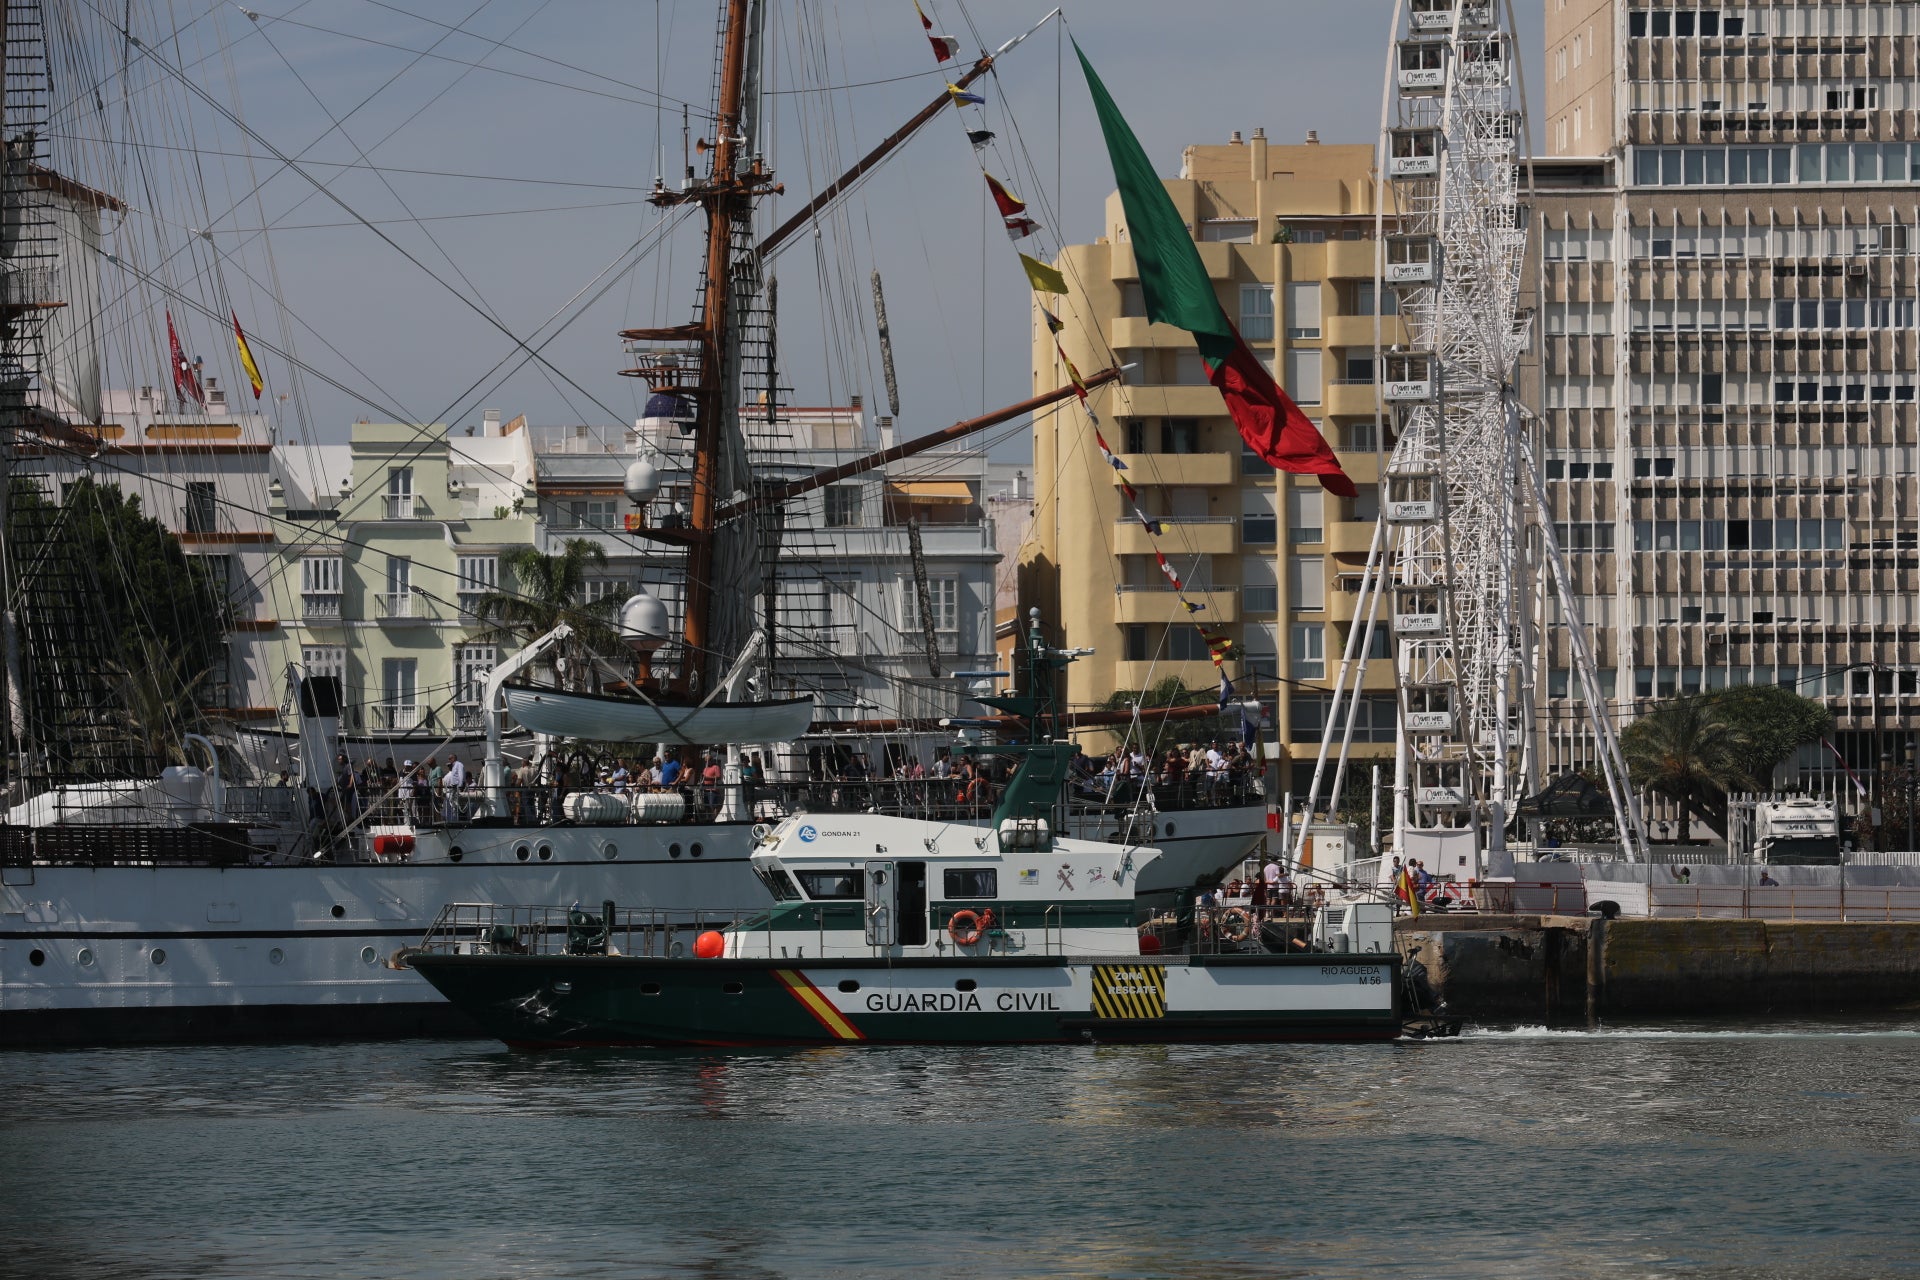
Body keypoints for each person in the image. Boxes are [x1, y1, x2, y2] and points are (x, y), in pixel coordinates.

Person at [443, 754, 467, 822]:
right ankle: (453, 818)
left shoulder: (459, 764)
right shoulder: (454, 766)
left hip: (457, 787)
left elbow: (461, 774)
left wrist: (460, 786)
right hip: (453, 787)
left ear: (453, 758)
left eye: (450, 759)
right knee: (452, 803)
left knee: (455, 804)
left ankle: (455, 819)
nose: (449, 760)